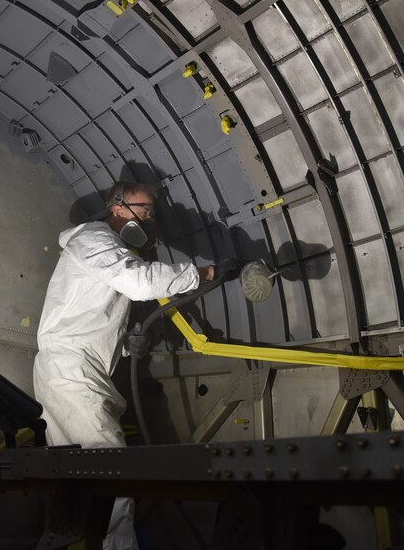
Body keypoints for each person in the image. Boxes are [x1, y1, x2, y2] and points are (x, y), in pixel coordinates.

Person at [34, 181, 237, 550]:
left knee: (78, 489)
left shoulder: (103, 249)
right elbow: (138, 282)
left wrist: (126, 346)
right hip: (72, 372)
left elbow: (93, 315)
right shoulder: (94, 239)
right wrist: (203, 274)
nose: (149, 218)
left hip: (75, 370)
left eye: (151, 212)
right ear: (117, 207)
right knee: (112, 479)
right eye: (144, 209)